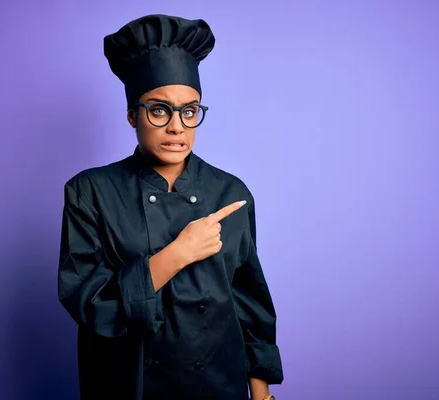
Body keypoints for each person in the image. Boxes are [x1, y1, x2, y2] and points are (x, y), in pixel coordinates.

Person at [58, 14, 283, 400]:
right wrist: (178, 253)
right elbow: (90, 303)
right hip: (128, 385)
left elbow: (249, 302)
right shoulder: (89, 191)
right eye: (159, 110)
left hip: (218, 385)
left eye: (189, 110)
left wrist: (261, 395)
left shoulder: (230, 191)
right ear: (133, 114)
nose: (177, 127)